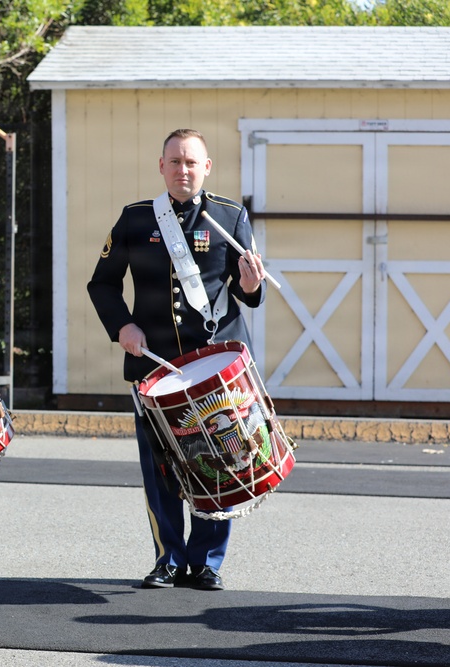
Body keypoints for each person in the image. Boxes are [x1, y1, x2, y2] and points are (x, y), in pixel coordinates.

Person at [87, 128, 269, 591]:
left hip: (214, 364)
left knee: (220, 460)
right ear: (161, 166)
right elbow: (102, 283)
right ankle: (168, 558)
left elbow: (251, 294)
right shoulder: (135, 218)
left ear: (206, 167)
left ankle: (207, 560)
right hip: (155, 364)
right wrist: (122, 326)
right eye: (175, 162)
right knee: (160, 464)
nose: (183, 170)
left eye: (192, 162)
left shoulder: (229, 216)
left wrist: (250, 285)